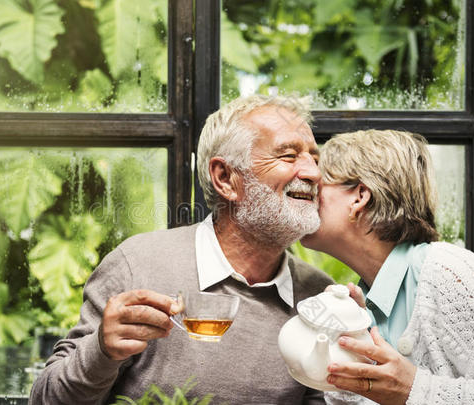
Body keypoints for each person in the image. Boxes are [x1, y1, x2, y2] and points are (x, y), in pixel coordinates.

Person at [28, 95, 334, 405]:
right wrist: (102, 352)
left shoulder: (321, 297)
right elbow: (44, 401)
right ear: (226, 178)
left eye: (314, 158)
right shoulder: (137, 265)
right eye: (288, 156)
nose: (314, 173)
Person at [300, 129, 474, 405]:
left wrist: (412, 389)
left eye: (319, 185)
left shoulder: (447, 271)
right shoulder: (363, 306)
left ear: (359, 197)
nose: (306, 195)